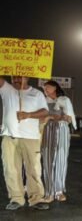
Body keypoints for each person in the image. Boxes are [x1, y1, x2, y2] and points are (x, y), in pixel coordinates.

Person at [0, 76, 49, 210]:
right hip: (9, 136)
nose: (16, 79)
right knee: (11, 169)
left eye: (20, 76)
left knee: (33, 169)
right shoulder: (7, 90)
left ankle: (36, 198)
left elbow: (45, 111)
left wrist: (28, 115)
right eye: (14, 76)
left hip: (31, 137)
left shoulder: (37, 93)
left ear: (27, 77)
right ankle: (16, 198)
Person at [41, 80, 76, 202]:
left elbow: (70, 118)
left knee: (61, 160)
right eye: (44, 88)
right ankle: (48, 192)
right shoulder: (42, 101)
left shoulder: (64, 100)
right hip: (47, 130)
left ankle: (59, 191)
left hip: (61, 129)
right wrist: (48, 117)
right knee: (47, 161)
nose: (45, 90)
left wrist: (66, 117)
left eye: (48, 87)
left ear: (55, 87)